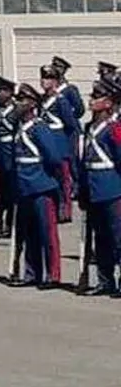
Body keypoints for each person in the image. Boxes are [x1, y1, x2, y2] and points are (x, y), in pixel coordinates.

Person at [12, 83, 66, 287]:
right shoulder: (19, 127)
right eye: (18, 100)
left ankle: (53, 275)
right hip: (24, 185)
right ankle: (31, 273)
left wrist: (52, 181)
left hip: (41, 185)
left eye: (23, 100)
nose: (18, 103)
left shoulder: (40, 127)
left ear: (33, 104)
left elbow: (53, 157)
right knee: (29, 233)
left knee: (47, 233)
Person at [78, 77, 121, 296]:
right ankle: (105, 281)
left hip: (113, 190)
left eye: (97, 96)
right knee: (101, 239)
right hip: (94, 190)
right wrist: (82, 191)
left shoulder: (115, 128)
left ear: (109, 102)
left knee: (118, 237)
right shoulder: (89, 127)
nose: (91, 100)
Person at [39, 63, 80, 224]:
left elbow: (70, 124)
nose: (44, 81)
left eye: (48, 78)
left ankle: (65, 209)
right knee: (51, 179)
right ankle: (54, 208)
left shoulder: (61, 101)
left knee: (63, 180)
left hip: (59, 145)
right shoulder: (42, 100)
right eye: (43, 77)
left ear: (56, 81)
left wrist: (68, 147)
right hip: (45, 145)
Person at [0, 76, 20, 239]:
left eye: (1, 91)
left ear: (9, 92)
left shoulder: (16, 110)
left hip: (11, 153)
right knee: (1, 192)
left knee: (11, 192)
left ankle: (10, 223)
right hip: (0, 154)